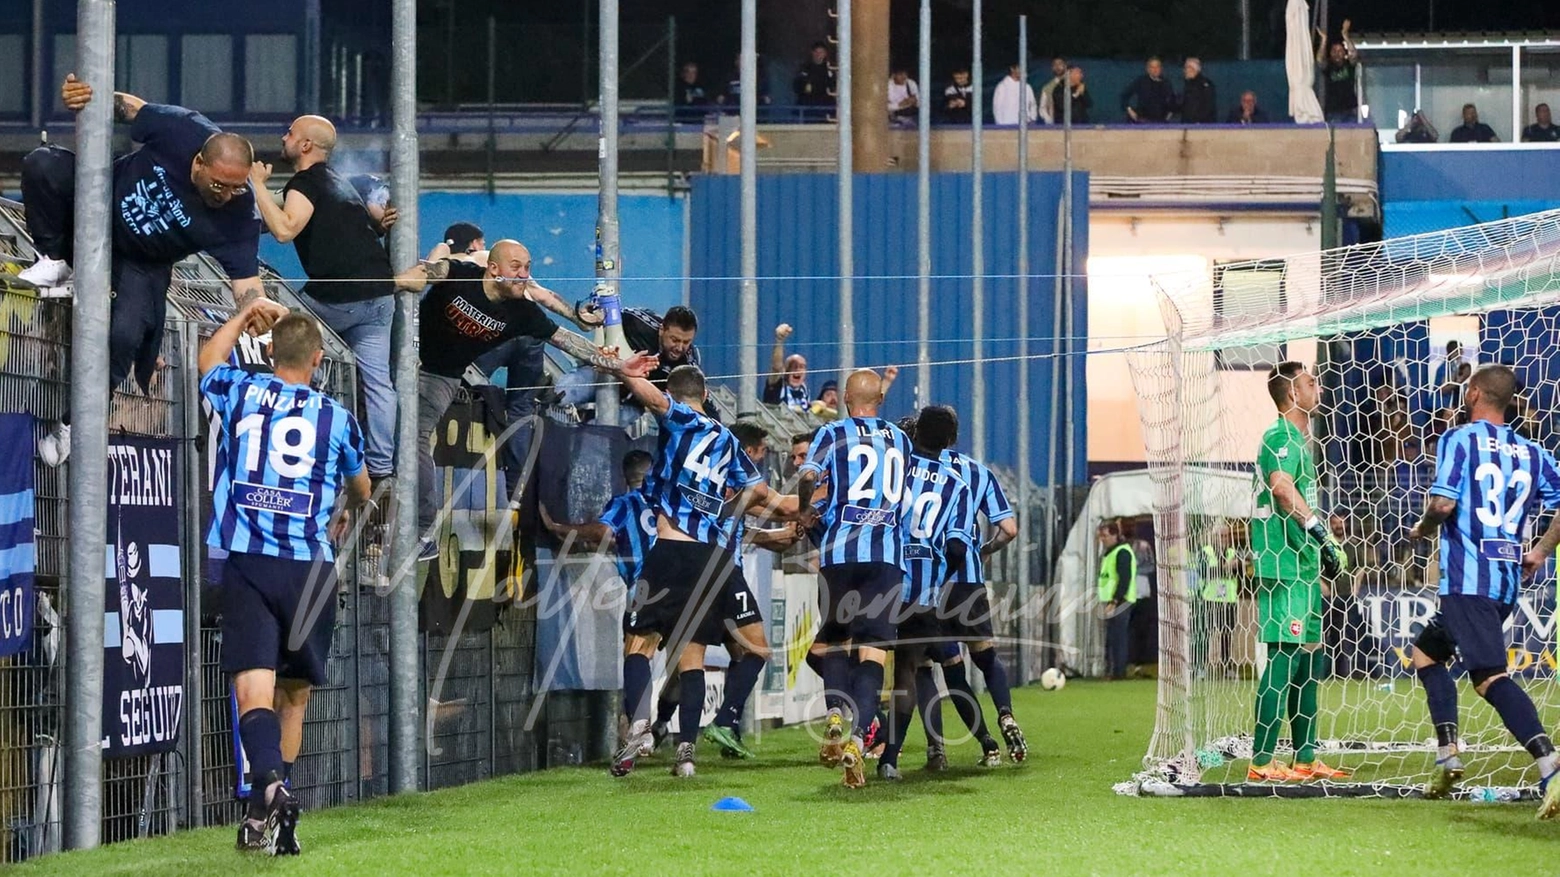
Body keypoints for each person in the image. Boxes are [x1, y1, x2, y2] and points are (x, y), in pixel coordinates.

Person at [20, 74, 273, 466]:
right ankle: (55, 259)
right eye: (220, 185)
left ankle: (72, 424)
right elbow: (130, 107)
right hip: (100, 203)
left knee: (124, 337)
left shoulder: (239, 215)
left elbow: (247, 283)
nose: (227, 195)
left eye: (237, 188)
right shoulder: (183, 129)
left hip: (142, 262)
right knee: (42, 164)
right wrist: (85, 95)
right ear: (198, 162)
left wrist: (256, 308)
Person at [200, 298, 371, 855]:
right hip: (311, 567)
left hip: (251, 560)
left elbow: (207, 362)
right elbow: (364, 486)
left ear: (269, 351)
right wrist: (346, 506)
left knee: (253, 692)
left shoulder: (244, 391)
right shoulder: (338, 417)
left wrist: (245, 309)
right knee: (293, 697)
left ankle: (267, 792)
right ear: (319, 360)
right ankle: (267, 807)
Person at [393, 240, 646, 558]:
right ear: (493, 268)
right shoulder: (463, 274)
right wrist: (414, 276)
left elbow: (566, 340)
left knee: (414, 437)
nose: (524, 274)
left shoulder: (523, 311)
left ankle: (421, 531)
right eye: (517, 267)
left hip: (441, 375)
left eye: (528, 268)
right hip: (406, 356)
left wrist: (620, 365)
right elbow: (433, 270)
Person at [608, 366, 795, 779]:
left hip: (670, 550)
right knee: (691, 656)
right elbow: (766, 496)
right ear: (707, 391)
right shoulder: (728, 440)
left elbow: (652, 398)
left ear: (675, 393)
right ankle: (687, 754)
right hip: (710, 560)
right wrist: (811, 508)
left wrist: (620, 371)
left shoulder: (681, 418)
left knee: (638, 644)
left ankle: (640, 724)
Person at [1406, 365, 1560, 817]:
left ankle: (1549, 764)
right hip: (1506, 582)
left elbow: (1442, 503)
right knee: (1426, 653)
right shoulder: (1533, 451)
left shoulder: (1459, 439)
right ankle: (1448, 752)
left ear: (1473, 394)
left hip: (1467, 581)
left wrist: (1423, 528)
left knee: (1489, 677)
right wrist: (1539, 552)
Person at [250, 115, 398, 483]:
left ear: (304, 146)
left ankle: (283, 426)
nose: (283, 136)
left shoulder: (306, 181)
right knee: (378, 382)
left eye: (289, 133)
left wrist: (256, 185)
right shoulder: (339, 183)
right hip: (380, 294)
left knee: (281, 324)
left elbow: (284, 230)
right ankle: (381, 468)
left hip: (337, 297)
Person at [793, 369, 913, 789]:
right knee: (873, 652)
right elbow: (905, 503)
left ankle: (833, 715)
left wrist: (806, 511)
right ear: (880, 400)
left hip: (840, 555)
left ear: (846, 398)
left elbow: (809, 476)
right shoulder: (901, 440)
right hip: (886, 559)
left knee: (831, 644)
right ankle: (859, 740)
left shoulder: (832, 433)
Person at [1248, 361, 1351, 782]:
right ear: (1292, 393)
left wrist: (1322, 530)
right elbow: (1282, 489)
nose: (1318, 387)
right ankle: (1260, 760)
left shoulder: (1301, 440)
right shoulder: (1281, 435)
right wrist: (1321, 532)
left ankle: (1305, 756)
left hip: (1303, 565)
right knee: (1282, 658)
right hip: (1285, 565)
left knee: (1310, 660)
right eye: (1310, 382)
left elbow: (1295, 495)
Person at [875, 405, 974, 781]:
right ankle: (890, 760)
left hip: (880, 578)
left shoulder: (894, 469)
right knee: (908, 672)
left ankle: (854, 730)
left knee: (859, 658)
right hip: (921, 591)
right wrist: (936, 576)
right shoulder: (956, 484)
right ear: (950, 441)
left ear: (913, 434)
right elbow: (958, 548)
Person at [937, 434, 1024, 766]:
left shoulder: (912, 469)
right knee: (985, 656)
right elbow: (1010, 529)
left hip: (931, 584)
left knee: (952, 669)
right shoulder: (977, 471)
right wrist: (984, 549)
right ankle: (1006, 714)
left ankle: (987, 744)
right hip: (969, 582)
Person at [1195, 522, 1241, 678]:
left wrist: (1235, 567)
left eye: (1226, 535)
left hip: (1229, 600)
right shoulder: (1205, 552)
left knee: (1227, 635)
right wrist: (1225, 568)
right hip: (1210, 599)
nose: (1224, 539)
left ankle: (1228, 668)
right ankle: (1201, 668)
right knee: (1205, 634)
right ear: (1213, 537)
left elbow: (1241, 573)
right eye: (1221, 535)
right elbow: (1203, 572)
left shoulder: (1233, 552)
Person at [1097, 519, 1135, 681]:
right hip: (1112, 600)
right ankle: (1112, 670)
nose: (1102, 539)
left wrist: (1114, 601)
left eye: (1105, 536)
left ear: (1115, 535)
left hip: (1121, 601)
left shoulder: (1122, 552)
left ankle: (1118, 672)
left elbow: (1124, 579)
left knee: (1118, 637)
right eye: (1101, 536)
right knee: (1112, 637)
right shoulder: (1111, 552)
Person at [1316, 20, 1358, 123]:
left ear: (1344, 53)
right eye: (1334, 51)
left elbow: (1354, 54)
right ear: (1330, 54)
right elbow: (1320, 60)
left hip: (1350, 110)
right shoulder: (1329, 67)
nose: (1337, 53)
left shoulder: (1348, 65)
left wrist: (1345, 35)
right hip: (1334, 112)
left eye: (1340, 51)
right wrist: (1324, 40)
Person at [763, 322, 809, 410]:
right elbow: (776, 368)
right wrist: (779, 340)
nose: (797, 370)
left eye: (802, 367)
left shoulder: (804, 390)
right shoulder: (778, 385)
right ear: (785, 370)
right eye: (793, 366)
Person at [1122, 56, 1175, 123]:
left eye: (1157, 67)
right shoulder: (1141, 81)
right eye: (1152, 67)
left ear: (1161, 69)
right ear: (1148, 69)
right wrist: (1130, 110)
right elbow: (1124, 95)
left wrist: (1169, 116)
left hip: (1160, 122)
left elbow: (1173, 102)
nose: (1155, 70)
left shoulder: (1166, 83)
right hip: (1142, 121)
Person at [793, 42, 836, 119]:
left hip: (826, 106)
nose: (818, 55)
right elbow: (796, 86)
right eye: (816, 52)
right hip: (807, 106)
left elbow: (834, 86)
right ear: (812, 53)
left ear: (825, 54)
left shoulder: (831, 69)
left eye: (821, 52)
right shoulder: (805, 68)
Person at [1179, 58, 1216, 124]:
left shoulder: (1205, 85)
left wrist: (1199, 121)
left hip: (1201, 125)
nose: (1184, 71)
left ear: (1192, 69)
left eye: (1186, 68)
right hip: (1187, 124)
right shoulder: (1187, 85)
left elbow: (1208, 105)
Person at [1038, 56, 1068, 124]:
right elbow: (1042, 108)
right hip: (1056, 125)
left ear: (1065, 66)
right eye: (1055, 65)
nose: (1057, 67)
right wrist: (1050, 121)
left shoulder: (1073, 82)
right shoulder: (1047, 88)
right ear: (1052, 68)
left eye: (1060, 64)